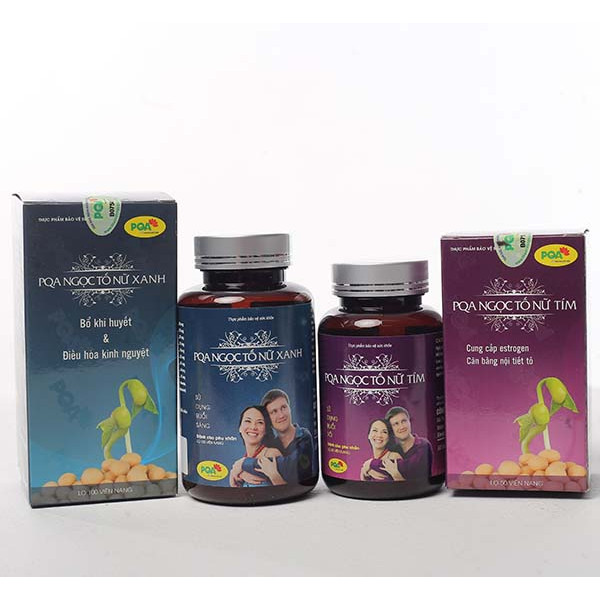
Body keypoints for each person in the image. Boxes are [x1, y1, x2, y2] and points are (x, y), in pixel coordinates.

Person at [230, 389, 315, 486]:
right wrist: (242, 474)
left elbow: (290, 466)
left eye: (284, 407)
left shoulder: (303, 436)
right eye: (274, 411)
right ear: (268, 420)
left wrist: (243, 464)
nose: (281, 415)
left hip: (304, 485)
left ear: (290, 408)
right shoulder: (271, 444)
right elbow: (265, 469)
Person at [229, 405, 285, 487]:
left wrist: (239, 471)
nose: (253, 427)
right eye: (248, 421)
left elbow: (285, 488)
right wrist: (237, 476)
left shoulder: (271, 453)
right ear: (240, 428)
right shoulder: (241, 463)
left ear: (265, 430)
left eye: (260, 422)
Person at [383, 406, 433, 481]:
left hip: (422, 487)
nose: (401, 427)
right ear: (391, 430)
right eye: (396, 424)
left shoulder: (423, 445)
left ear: (409, 422)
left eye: (404, 421)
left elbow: (407, 467)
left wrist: (371, 463)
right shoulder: (393, 449)